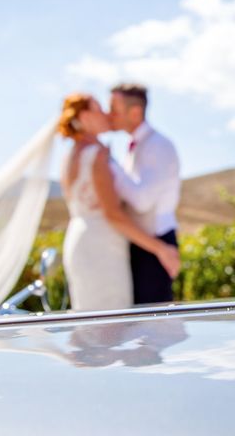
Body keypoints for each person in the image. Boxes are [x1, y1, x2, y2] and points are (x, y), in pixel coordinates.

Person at [58, 93, 180, 311]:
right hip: (102, 249)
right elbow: (113, 214)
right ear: (84, 117)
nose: (106, 114)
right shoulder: (97, 155)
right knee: (109, 324)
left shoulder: (70, 156)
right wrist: (161, 249)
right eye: (99, 109)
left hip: (81, 241)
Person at [108, 84, 182, 304]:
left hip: (157, 245)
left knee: (154, 328)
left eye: (114, 108)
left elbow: (142, 201)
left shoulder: (159, 146)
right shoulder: (134, 146)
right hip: (142, 242)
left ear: (135, 112)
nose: (109, 114)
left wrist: (108, 163)